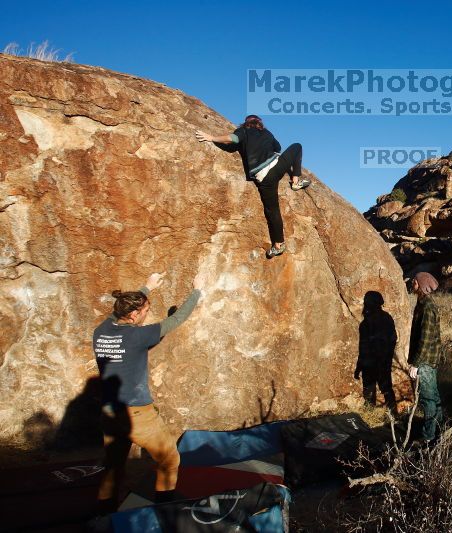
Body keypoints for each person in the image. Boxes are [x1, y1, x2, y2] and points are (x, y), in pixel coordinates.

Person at [93, 271, 205, 513]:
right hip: (137, 415)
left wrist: (147, 287)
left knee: (113, 467)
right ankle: (164, 511)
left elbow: (118, 310)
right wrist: (197, 291)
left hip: (109, 412)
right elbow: (175, 321)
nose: (146, 314)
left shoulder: (101, 331)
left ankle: (103, 516)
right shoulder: (136, 336)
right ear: (134, 315)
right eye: (144, 311)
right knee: (169, 459)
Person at [195, 115, 310, 259]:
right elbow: (278, 147)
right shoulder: (267, 133)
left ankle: (278, 244)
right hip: (277, 168)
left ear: (246, 123)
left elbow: (233, 140)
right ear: (259, 124)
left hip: (263, 178)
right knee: (297, 146)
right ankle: (295, 182)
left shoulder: (243, 131)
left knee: (272, 211)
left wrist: (211, 137)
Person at [407, 272, 444, 443]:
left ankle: (428, 436)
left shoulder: (427, 307)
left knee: (428, 399)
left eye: (415, 281)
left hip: (426, 361)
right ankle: (439, 428)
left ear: (421, 286)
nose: (412, 282)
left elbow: (426, 339)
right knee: (434, 397)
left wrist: (415, 363)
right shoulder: (422, 303)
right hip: (428, 359)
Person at [354, 291, 398, 415]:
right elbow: (392, 341)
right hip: (377, 363)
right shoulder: (385, 319)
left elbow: (364, 348)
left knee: (375, 391)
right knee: (383, 390)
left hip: (374, 364)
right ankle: (392, 417)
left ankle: (372, 417)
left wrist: (360, 366)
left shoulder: (367, 323)